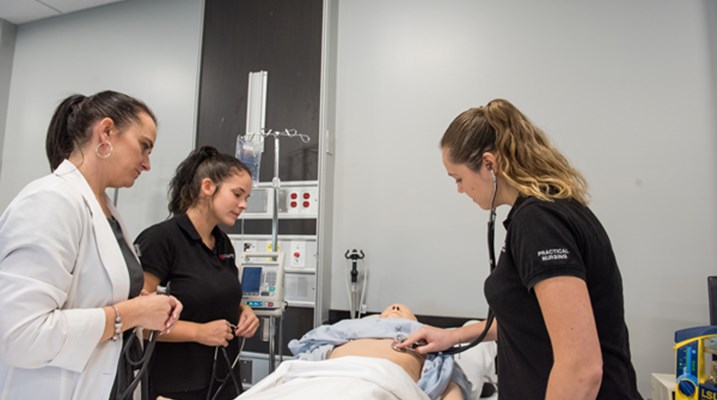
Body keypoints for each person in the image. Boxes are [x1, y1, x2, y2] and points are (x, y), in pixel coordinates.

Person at [398, 99, 643, 399]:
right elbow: (534, 320)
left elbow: (582, 368)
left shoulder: (539, 224)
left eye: (458, 178)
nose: (460, 190)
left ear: (489, 164)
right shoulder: (546, 212)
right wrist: (455, 335)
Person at [0, 90, 183, 400]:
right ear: (106, 132)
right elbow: (18, 335)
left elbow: (89, 295)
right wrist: (131, 313)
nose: (147, 164)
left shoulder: (105, 211)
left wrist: (145, 303)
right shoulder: (50, 202)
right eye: (144, 147)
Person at [134, 146, 260, 400]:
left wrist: (243, 311)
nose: (243, 205)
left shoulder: (222, 243)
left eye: (246, 197)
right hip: (174, 385)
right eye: (237, 194)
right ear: (207, 187)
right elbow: (137, 323)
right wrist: (198, 332)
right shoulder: (161, 240)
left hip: (223, 381)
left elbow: (215, 297)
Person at [278, 303, 473, 400]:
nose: (395, 307)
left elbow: (451, 384)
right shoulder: (347, 332)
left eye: (403, 311)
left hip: (381, 382)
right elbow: (303, 362)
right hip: (326, 377)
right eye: (387, 311)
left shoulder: (430, 343)